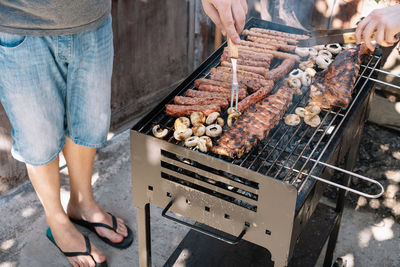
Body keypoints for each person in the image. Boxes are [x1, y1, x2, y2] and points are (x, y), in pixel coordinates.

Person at [0, 0, 247, 266]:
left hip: (92, 20)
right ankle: (57, 221)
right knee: (38, 139)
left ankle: (82, 203)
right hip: (20, 26)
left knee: (89, 123)